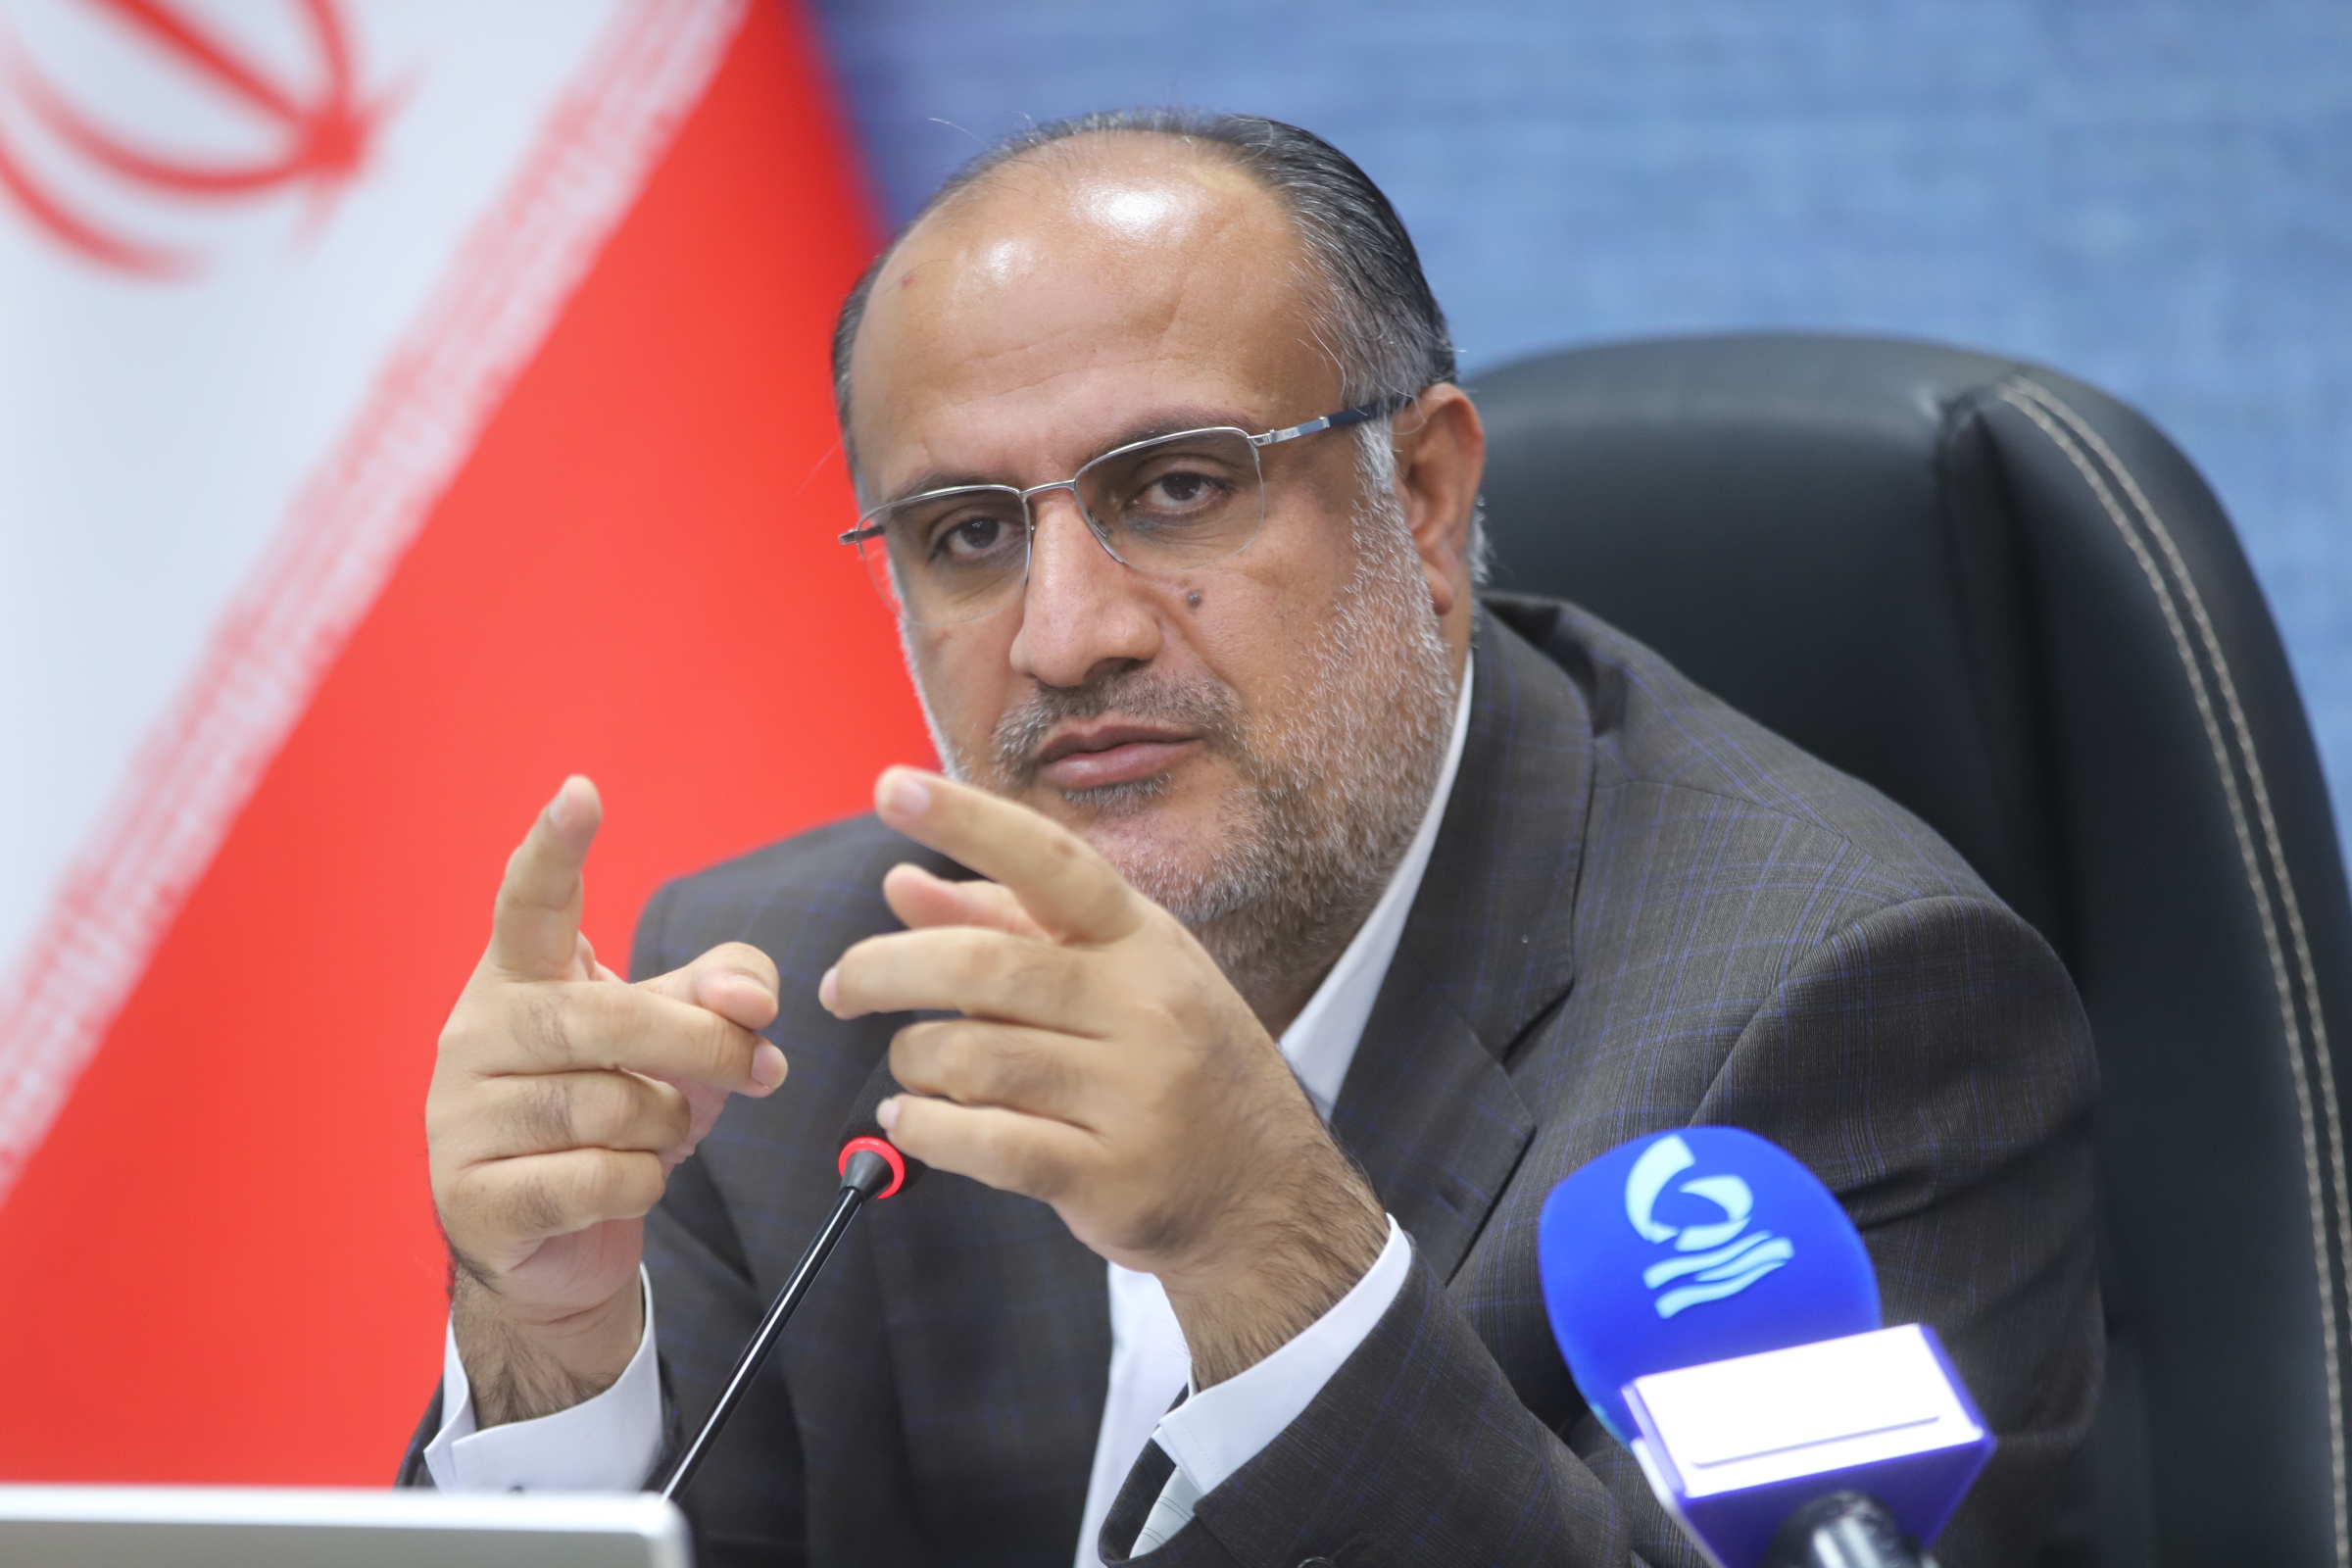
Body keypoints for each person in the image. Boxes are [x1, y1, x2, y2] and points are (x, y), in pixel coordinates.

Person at [401, 111, 2100, 1567]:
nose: (1068, 635)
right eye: (970, 532)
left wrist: (1266, 1256)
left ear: (1421, 498)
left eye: (1176, 488)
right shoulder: (796, 1009)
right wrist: (551, 1352)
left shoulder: (1838, 1014)